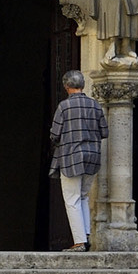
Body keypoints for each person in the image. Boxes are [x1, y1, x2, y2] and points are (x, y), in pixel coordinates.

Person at [47, 70, 106, 249]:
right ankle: (85, 236)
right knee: (83, 196)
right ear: (83, 85)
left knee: (72, 199)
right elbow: (104, 132)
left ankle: (79, 242)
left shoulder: (64, 107)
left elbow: (54, 134)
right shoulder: (95, 105)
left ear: (66, 86)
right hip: (92, 157)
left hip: (71, 157)